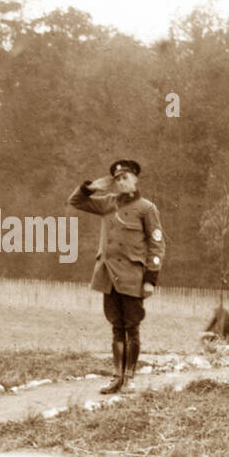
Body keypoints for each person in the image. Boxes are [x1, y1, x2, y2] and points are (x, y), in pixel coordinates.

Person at [68, 159, 165, 393]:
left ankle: (130, 378)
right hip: (109, 276)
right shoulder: (108, 203)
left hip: (133, 277)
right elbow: (76, 201)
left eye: (126, 178)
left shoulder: (147, 208)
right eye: (118, 179)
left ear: (135, 180)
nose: (121, 182)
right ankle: (117, 377)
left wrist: (151, 279)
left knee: (132, 327)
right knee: (116, 326)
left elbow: (157, 245)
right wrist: (90, 188)